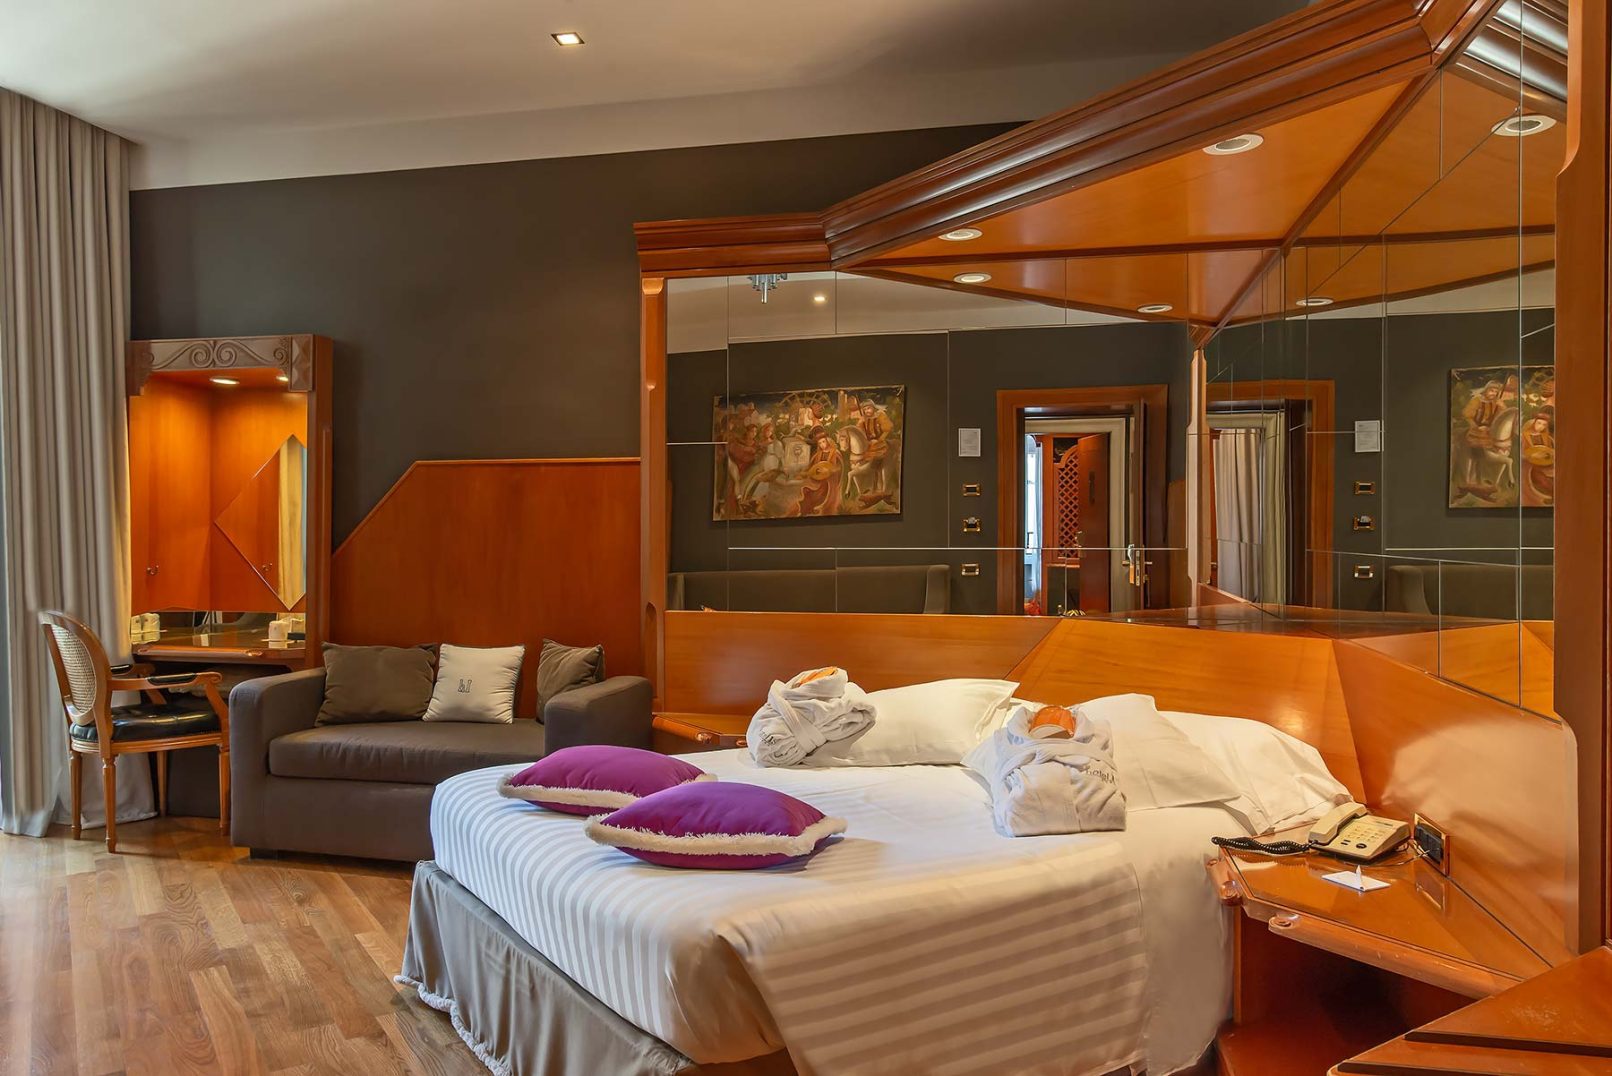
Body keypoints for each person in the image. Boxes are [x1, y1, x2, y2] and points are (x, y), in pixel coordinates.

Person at [791, 426, 844, 516]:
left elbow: (839, 468)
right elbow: (811, 468)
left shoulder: (835, 453)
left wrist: (829, 470)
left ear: (827, 441)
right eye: (820, 443)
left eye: (823, 442)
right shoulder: (818, 454)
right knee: (806, 488)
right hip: (816, 479)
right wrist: (805, 474)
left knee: (820, 490)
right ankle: (805, 510)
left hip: (829, 481)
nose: (822, 444)